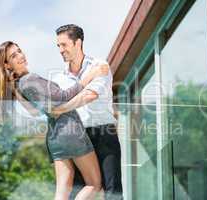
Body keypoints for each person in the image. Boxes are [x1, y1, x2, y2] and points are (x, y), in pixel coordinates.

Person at [0, 41, 108, 200]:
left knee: (61, 192)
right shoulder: (30, 79)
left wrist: (15, 90)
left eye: (19, 51)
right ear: (7, 65)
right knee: (93, 184)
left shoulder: (19, 85)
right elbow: (64, 96)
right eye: (13, 55)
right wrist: (92, 74)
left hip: (54, 138)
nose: (21, 56)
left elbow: (35, 111)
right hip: (70, 131)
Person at [52, 24, 123, 200]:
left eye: (64, 45)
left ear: (78, 43)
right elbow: (53, 105)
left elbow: (89, 95)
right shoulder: (58, 78)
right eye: (58, 46)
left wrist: (63, 107)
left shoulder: (99, 66)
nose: (60, 50)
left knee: (112, 190)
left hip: (104, 132)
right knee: (77, 191)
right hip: (77, 137)